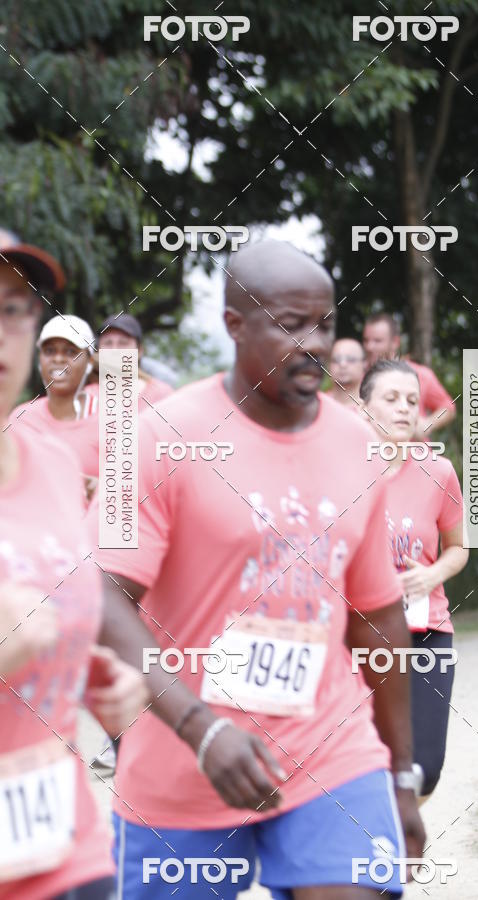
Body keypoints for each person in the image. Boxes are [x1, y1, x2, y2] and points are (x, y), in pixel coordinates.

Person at [92, 239, 425, 899]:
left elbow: (378, 618)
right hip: (182, 763)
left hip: (330, 753)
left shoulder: (359, 445)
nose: (315, 343)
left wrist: (402, 775)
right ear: (234, 324)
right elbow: (100, 596)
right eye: (290, 323)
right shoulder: (160, 436)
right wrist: (201, 727)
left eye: (325, 322)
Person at [0, 230, 148, 900]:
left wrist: (95, 676)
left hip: (63, 838)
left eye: (11, 309)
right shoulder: (37, 424)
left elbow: (67, 602)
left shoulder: (56, 460)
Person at [360, 358, 469, 801]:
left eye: (412, 400)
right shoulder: (343, 473)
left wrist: (433, 574)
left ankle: (398, 831)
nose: (405, 409)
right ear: (364, 408)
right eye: (391, 399)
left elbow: (458, 547)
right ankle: (378, 855)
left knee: (426, 769)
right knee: (366, 763)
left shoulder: (438, 471)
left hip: (427, 633)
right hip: (358, 637)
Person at [9, 312, 100, 501]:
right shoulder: (21, 418)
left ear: (90, 362)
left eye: (70, 352)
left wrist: (103, 491)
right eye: (49, 351)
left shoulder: (115, 423)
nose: (58, 359)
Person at [362, 313, 456, 438]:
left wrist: (427, 424)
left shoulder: (420, 374)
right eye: (366, 340)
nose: (369, 347)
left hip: (416, 453)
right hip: (370, 453)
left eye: (377, 341)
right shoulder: (357, 376)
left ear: (395, 342)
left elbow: (448, 408)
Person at [86, 313, 174, 410]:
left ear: (139, 350)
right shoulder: (84, 398)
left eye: (123, 343)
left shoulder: (162, 395)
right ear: (98, 350)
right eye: (108, 343)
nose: (114, 350)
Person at [328, 337, 367, 410]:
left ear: (364, 364)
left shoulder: (371, 406)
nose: (342, 364)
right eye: (336, 360)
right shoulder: (317, 405)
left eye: (350, 359)